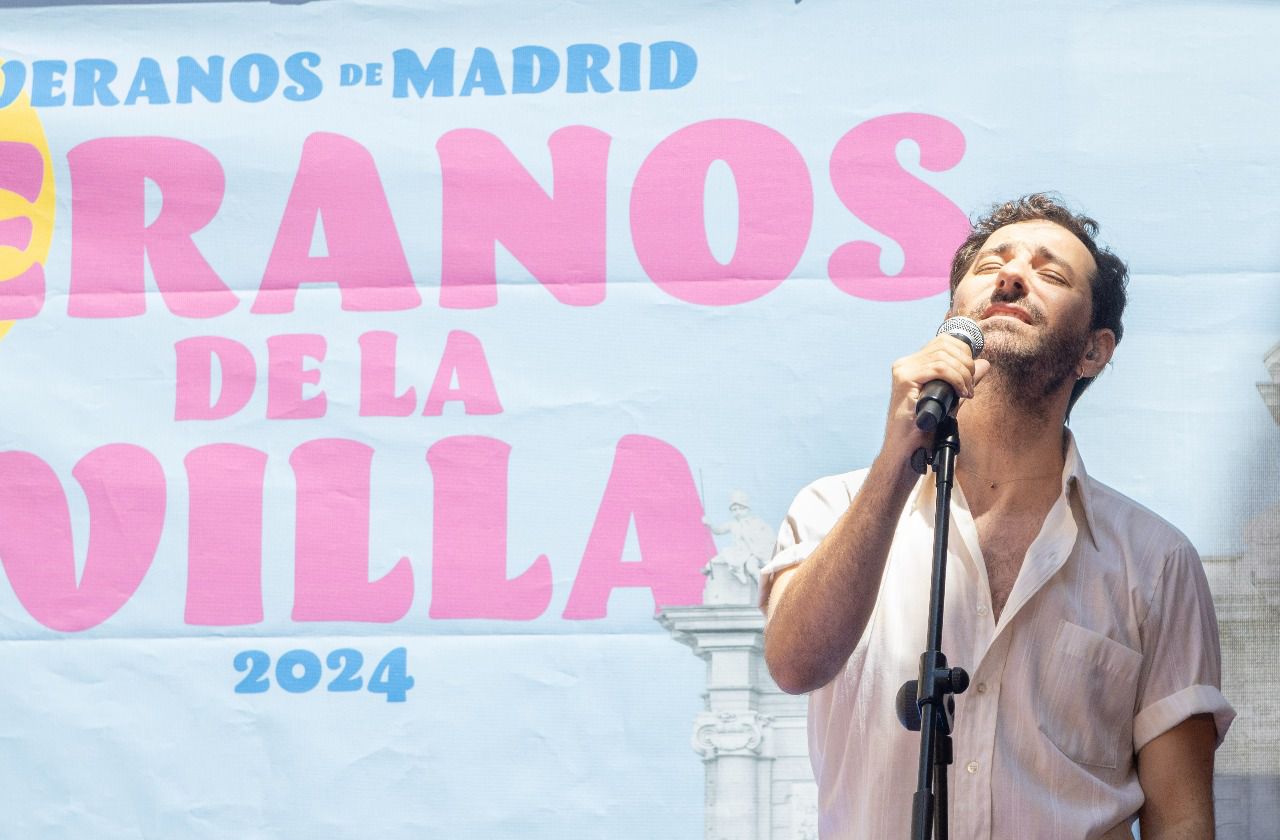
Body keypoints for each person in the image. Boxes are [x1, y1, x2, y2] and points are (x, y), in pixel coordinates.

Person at [760, 194, 1234, 839]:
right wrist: (899, 456)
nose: (1011, 277)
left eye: (1051, 273)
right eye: (991, 266)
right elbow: (795, 664)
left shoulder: (1153, 560)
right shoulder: (834, 508)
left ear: (1094, 352)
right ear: (953, 319)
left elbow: (1181, 820)